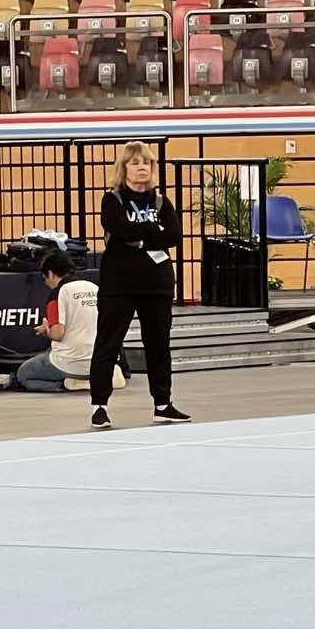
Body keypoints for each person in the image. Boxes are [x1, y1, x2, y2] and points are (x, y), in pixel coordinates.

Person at [89, 142, 186, 429]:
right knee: (108, 343)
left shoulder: (161, 202)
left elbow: (174, 236)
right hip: (119, 284)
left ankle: (163, 403)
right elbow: (119, 229)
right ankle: (99, 406)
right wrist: (151, 233)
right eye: (135, 163)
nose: (141, 167)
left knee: (158, 345)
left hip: (156, 285)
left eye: (146, 162)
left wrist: (142, 238)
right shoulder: (112, 199)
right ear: (124, 168)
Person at [0, 251, 124, 394]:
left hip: (70, 362)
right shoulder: (95, 288)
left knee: (24, 375)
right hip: (101, 359)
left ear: (50, 274)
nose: (46, 284)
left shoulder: (56, 294)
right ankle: (101, 376)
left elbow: (58, 334)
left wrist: (47, 330)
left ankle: (67, 384)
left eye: (44, 279)